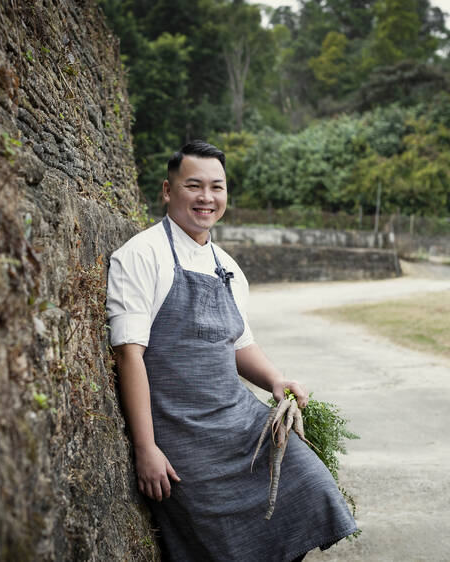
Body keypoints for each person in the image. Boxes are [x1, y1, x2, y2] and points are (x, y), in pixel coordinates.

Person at [106, 140, 357, 561]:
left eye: (217, 187)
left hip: (240, 421)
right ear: (168, 191)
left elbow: (240, 343)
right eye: (194, 186)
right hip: (181, 431)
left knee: (312, 487)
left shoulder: (228, 266)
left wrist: (276, 379)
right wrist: (145, 447)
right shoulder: (141, 255)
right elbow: (129, 354)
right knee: (223, 542)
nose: (206, 198)